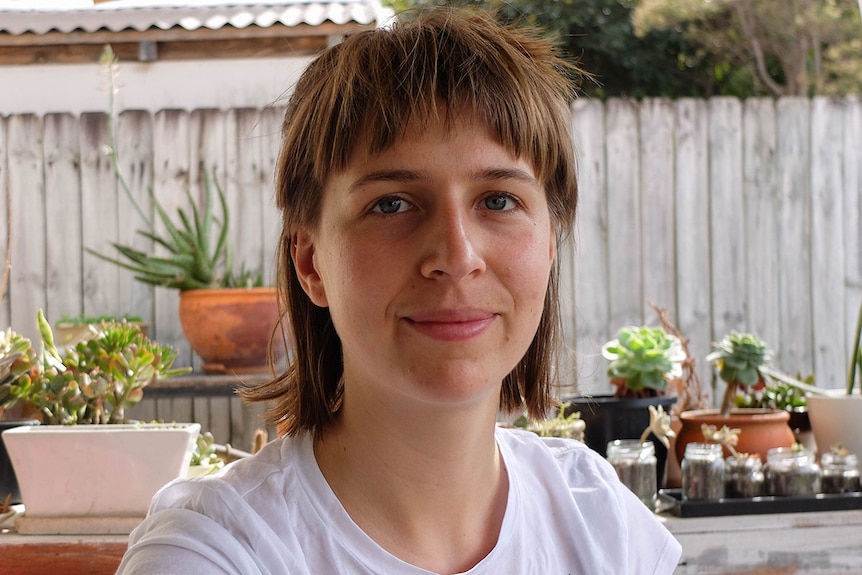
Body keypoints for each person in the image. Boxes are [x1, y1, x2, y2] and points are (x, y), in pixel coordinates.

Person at [117, 8, 682, 574]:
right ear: (311, 262)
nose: (457, 258)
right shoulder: (215, 552)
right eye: (391, 204)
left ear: (551, 244)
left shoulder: (604, 524)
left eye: (499, 200)